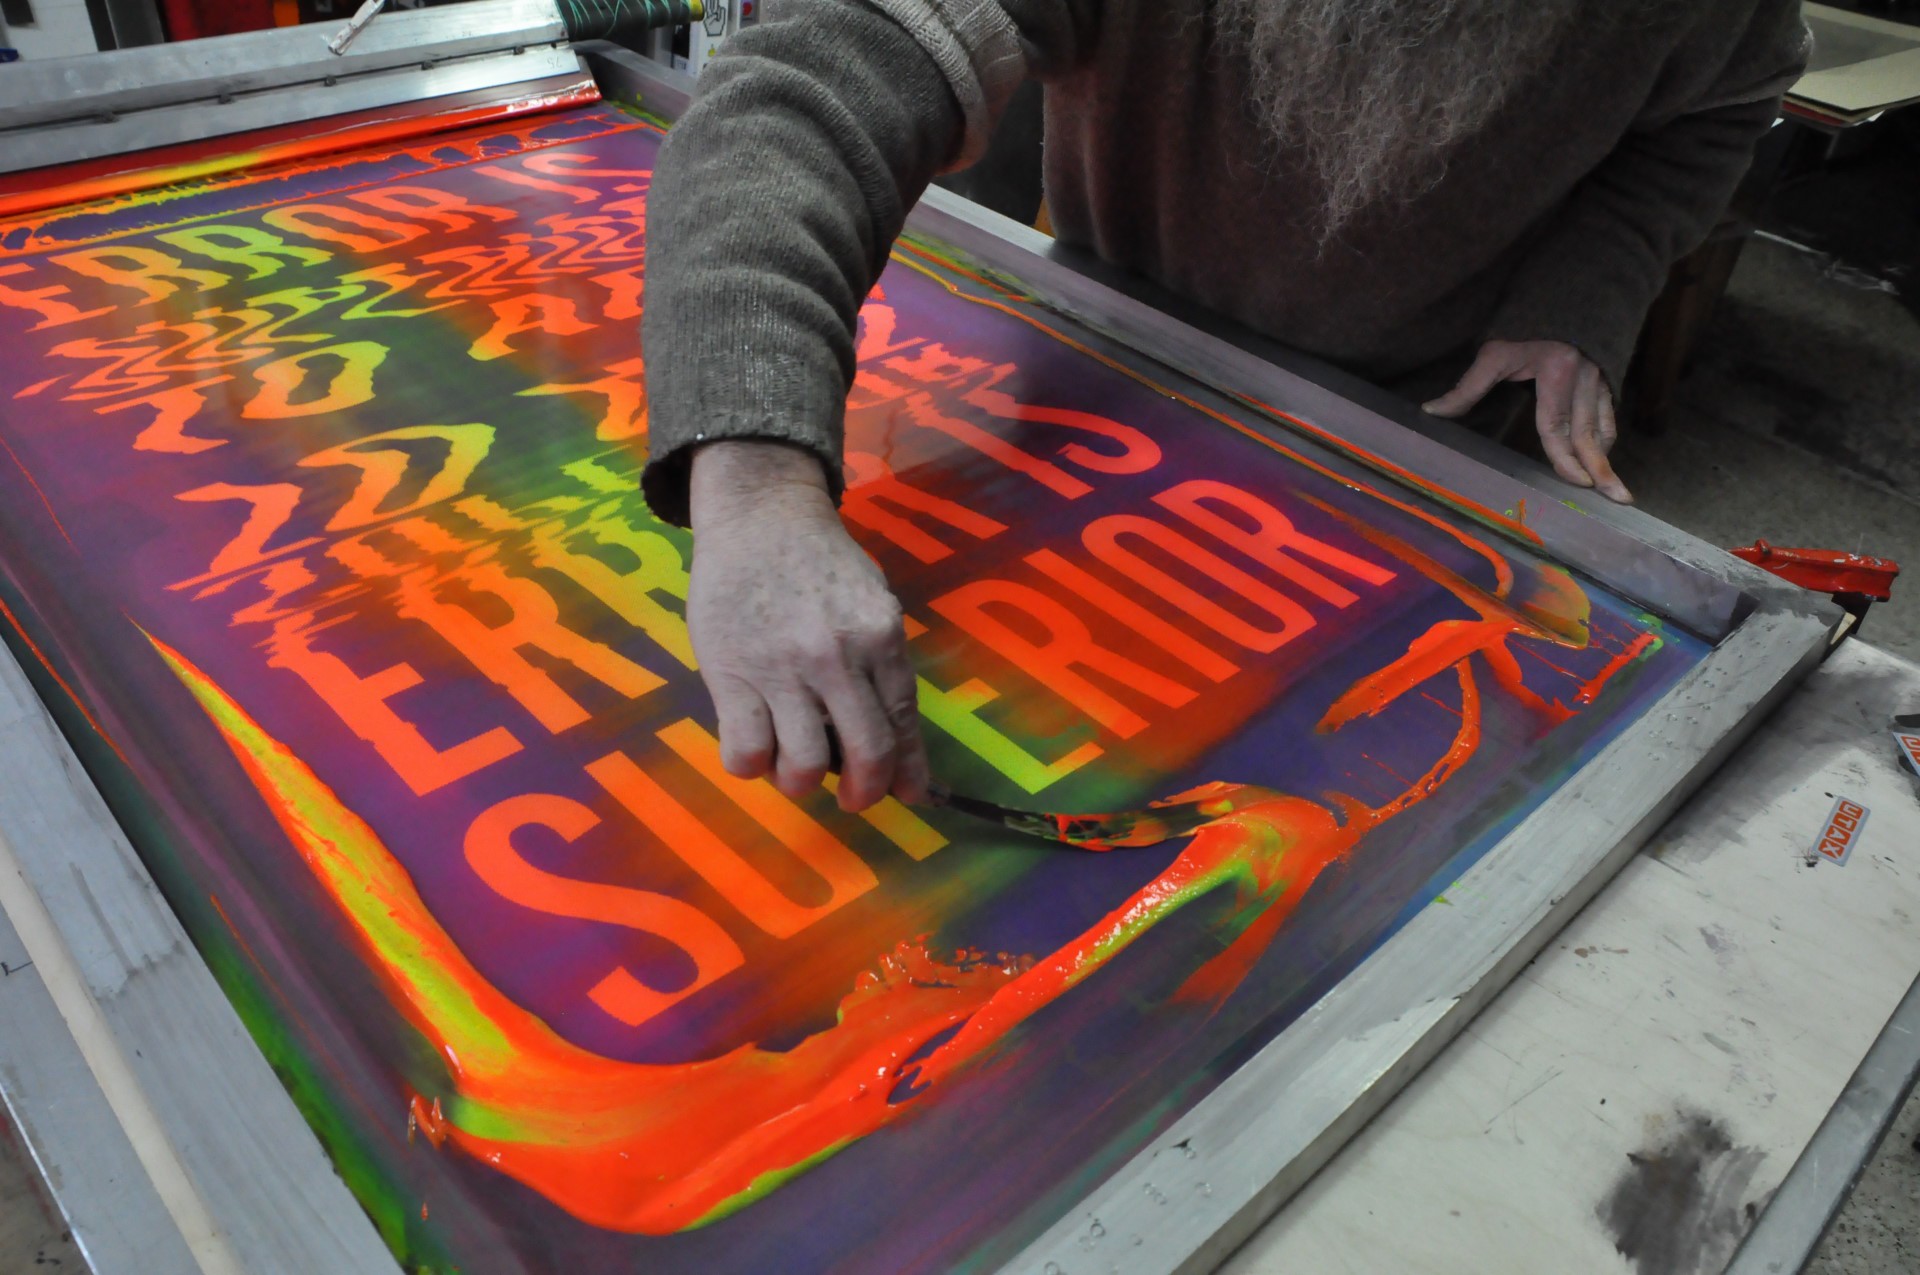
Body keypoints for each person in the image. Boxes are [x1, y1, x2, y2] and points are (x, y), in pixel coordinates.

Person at [638, 0, 1810, 813]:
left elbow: (1724, 107)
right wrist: (757, 485)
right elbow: (805, 98)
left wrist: (1584, 295)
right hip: (1106, 365)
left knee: (1349, 786)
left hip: (1423, 425)